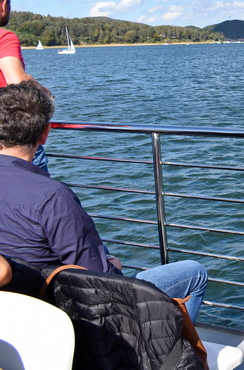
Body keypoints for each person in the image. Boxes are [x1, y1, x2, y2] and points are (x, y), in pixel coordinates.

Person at [0, 80, 208, 320]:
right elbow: (97, 278)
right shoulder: (51, 196)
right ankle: (164, 355)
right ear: (45, 133)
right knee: (193, 274)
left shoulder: (46, 196)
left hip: (17, 308)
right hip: (63, 311)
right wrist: (114, 268)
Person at [0, 0, 49, 171]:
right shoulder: (4, 37)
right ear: (3, 5)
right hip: (10, 139)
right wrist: (44, 92)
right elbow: (17, 81)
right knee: (35, 195)